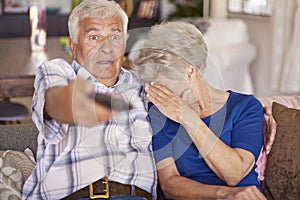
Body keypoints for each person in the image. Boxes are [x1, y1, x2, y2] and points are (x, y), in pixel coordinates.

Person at [22, 0, 156, 199]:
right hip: (73, 195)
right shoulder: (58, 71)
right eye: (94, 37)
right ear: (73, 46)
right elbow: (55, 100)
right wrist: (75, 103)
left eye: (115, 36)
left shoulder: (142, 85)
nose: (107, 48)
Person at [133, 21, 267, 199]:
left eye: (164, 86)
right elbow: (169, 184)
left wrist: (188, 118)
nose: (159, 95)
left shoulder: (245, 107)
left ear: (190, 72)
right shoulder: (158, 113)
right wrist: (223, 194)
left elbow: (235, 173)